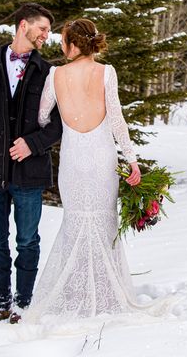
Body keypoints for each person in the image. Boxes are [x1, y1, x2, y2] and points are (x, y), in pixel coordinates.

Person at [22, 18, 145, 325]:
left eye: (64, 41)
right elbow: (116, 120)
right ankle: (105, 295)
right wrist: (131, 159)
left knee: (75, 223)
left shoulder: (55, 75)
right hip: (101, 159)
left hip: (74, 160)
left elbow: (41, 116)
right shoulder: (106, 72)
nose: (61, 46)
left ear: (74, 45)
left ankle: (74, 295)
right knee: (104, 224)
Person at [0, 2, 63, 323]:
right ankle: (1, 302)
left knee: (28, 241)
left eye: (48, 30)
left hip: (29, 174)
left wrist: (33, 143)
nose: (47, 35)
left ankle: (24, 303)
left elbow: (61, 123)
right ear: (23, 26)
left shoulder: (49, 74)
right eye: (42, 28)